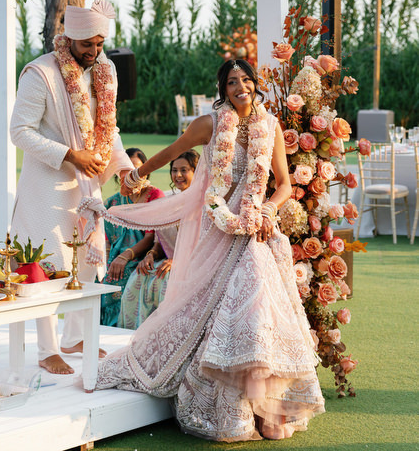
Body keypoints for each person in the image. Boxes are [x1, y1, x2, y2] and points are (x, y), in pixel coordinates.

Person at [79, 59, 325, 441]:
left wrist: (268, 208)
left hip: (258, 231)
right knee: (209, 307)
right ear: (222, 89)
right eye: (231, 82)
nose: (240, 87)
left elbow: (283, 184)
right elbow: (172, 150)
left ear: (255, 84)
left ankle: (263, 406)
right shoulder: (209, 124)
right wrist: (137, 174)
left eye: (245, 80)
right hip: (218, 228)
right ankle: (230, 403)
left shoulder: (270, 125)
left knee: (258, 307)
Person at [9, 0, 134, 375]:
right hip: (46, 185)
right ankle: (48, 349)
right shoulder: (41, 73)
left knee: (85, 260)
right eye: (87, 45)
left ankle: (75, 337)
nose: (94, 52)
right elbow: (19, 132)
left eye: (100, 44)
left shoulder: (106, 70)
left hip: (86, 185)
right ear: (69, 38)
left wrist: (124, 168)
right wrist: (69, 155)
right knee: (47, 262)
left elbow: (107, 130)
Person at [118, 149, 200, 329]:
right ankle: (133, 339)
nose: (178, 175)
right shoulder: (167, 202)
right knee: (139, 276)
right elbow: (158, 242)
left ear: (196, 171)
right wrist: (150, 255)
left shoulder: (205, 204)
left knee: (166, 281)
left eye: (184, 170)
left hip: (194, 265)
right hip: (167, 261)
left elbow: (206, 245)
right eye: (174, 170)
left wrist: (178, 262)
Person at [101, 147, 164, 326]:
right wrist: (106, 263)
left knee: (125, 272)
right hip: (115, 258)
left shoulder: (154, 195)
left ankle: (125, 328)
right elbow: (106, 240)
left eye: (137, 169)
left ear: (146, 171)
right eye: (127, 170)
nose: (132, 175)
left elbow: (152, 237)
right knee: (100, 277)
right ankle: (106, 329)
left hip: (145, 255)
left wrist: (124, 257)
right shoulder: (112, 202)